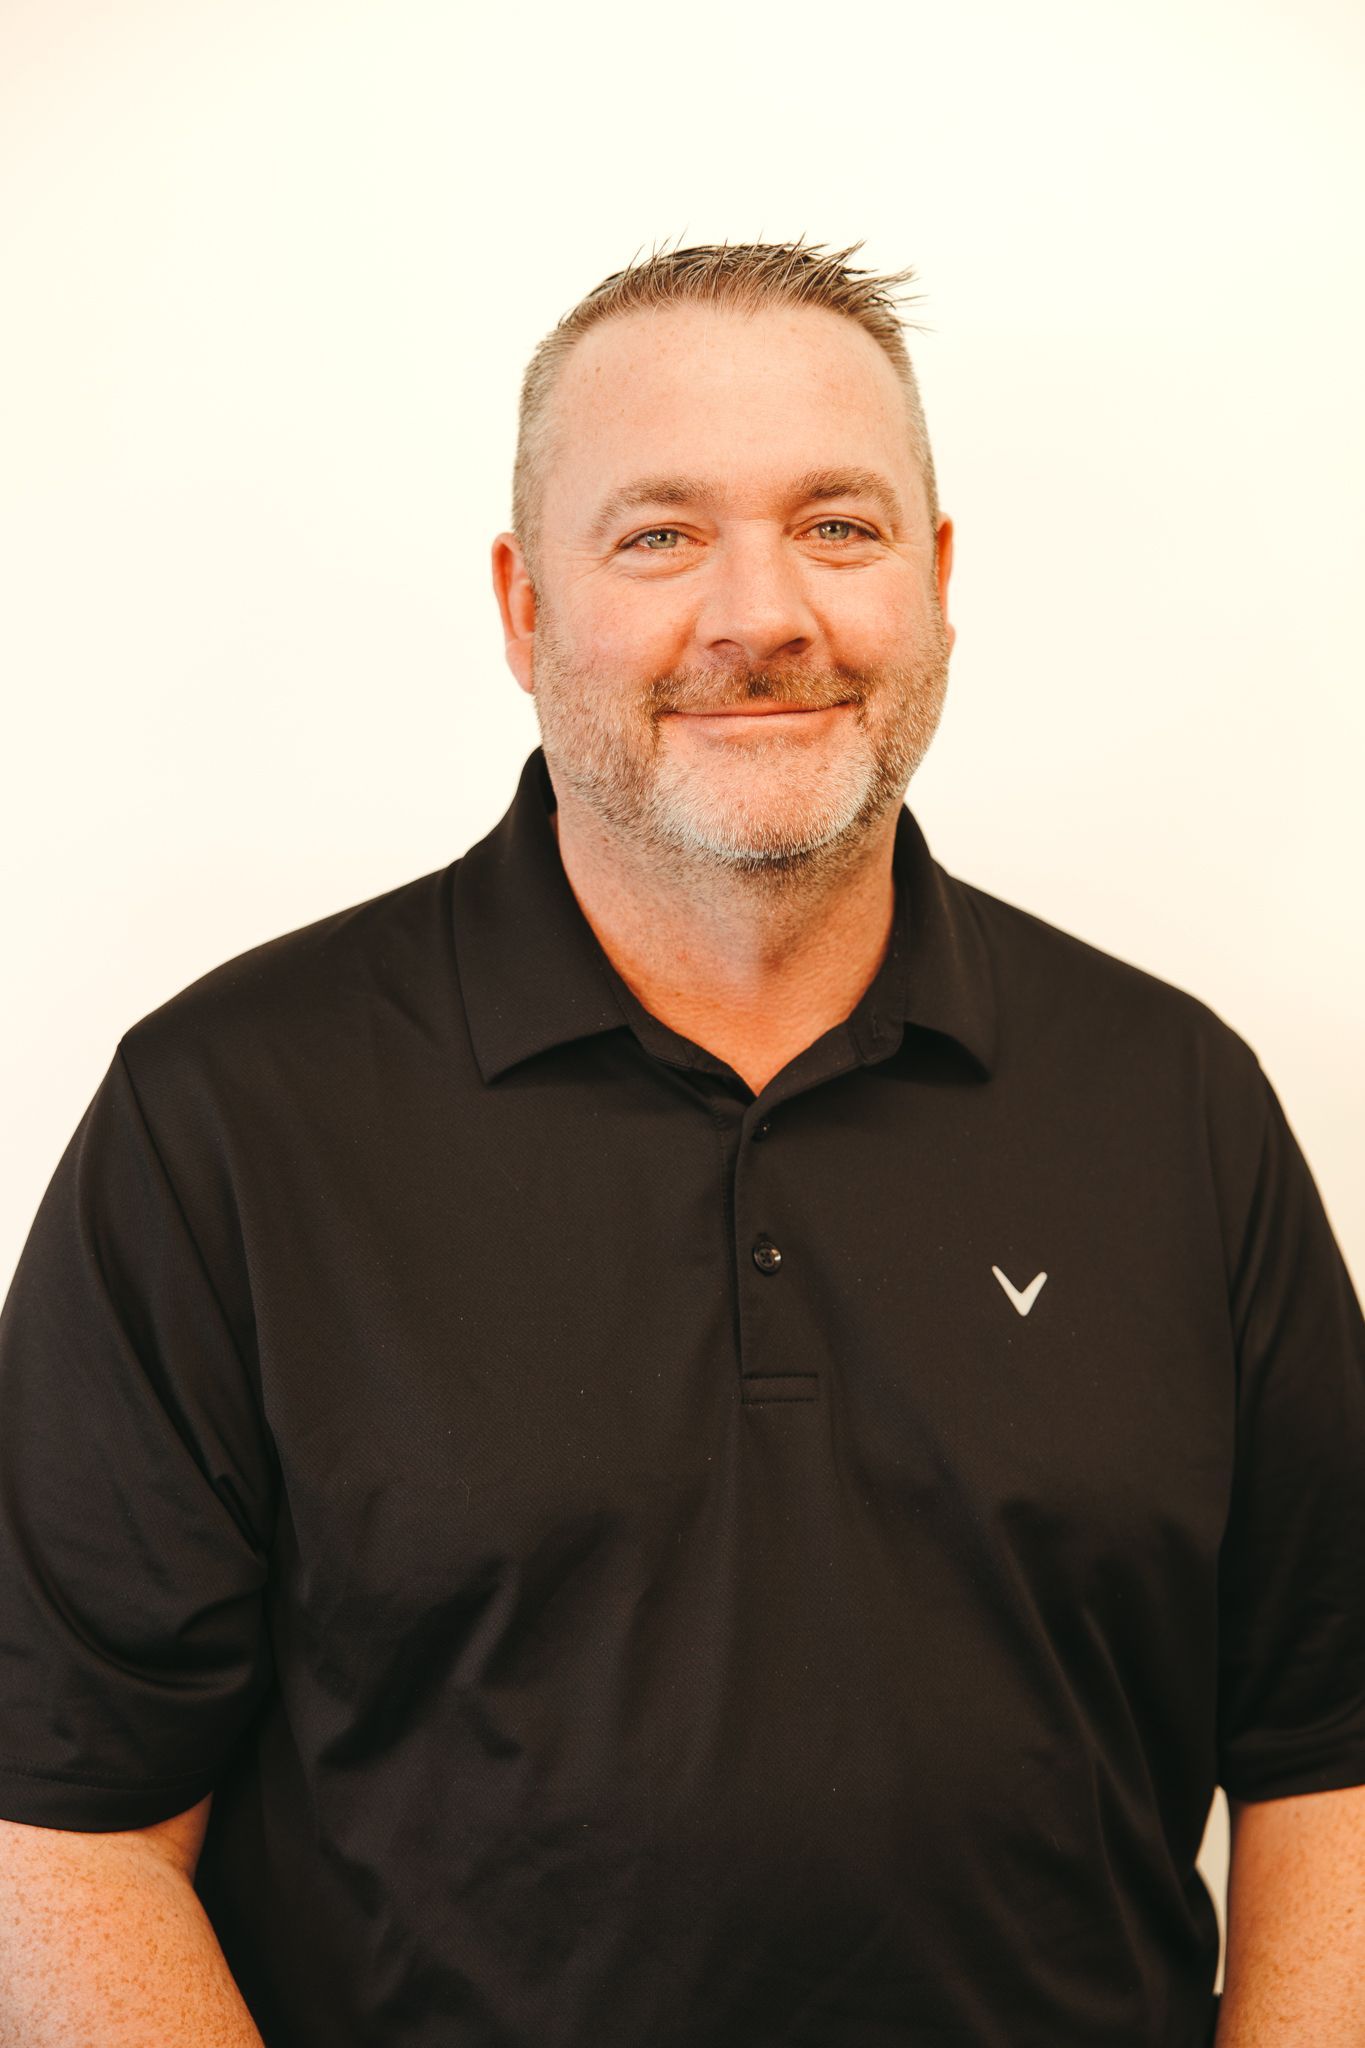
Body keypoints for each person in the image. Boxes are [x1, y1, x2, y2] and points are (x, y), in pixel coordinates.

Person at [0, 241, 1362, 2048]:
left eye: (839, 525)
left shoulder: (1174, 1105)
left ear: (938, 582)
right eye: (657, 536)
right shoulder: (227, 1119)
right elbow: (61, 1828)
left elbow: (1329, 1755)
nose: (762, 614)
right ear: (520, 606)